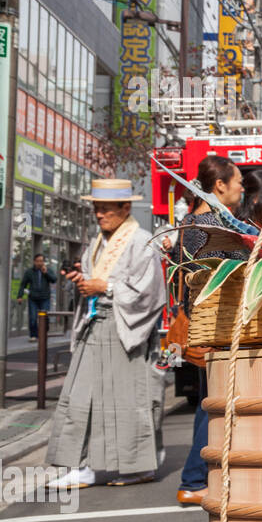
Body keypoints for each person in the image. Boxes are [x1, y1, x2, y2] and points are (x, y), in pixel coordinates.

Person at [46, 179, 166, 488]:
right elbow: (98, 280)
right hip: (96, 322)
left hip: (126, 327)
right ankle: (83, 464)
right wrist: (85, 280)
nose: (100, 216)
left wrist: (105, 286)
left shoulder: (141, 241)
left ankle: (137, 465)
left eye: (106, 210)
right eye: (96, 210)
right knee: (80, 395)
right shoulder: (98, 242)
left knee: (129, 400)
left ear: (125, 208)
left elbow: (151, 291)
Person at [175, 155, 245, 506]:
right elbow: (230, 272)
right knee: (214, 406)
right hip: (219, 324)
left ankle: (198, 477)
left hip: (204, 325)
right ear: (219, 186)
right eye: (238, 181)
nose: (242, 188)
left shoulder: (190, 223)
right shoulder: (210, 224)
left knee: (209, 405)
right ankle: (193, 479)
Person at [16, 254, 58, 340]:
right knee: (33, 318)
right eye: (38, 261)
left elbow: (54, 280)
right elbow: (23, 284)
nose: (40, 263)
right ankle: (33, 335)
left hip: (45, 298)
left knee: (45, 317)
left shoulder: (47, 270)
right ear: (34, 262)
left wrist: (46, 273)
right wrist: (20, 296)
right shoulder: (29, 272)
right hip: (33, 298)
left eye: (41, 261)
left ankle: (43, 334)